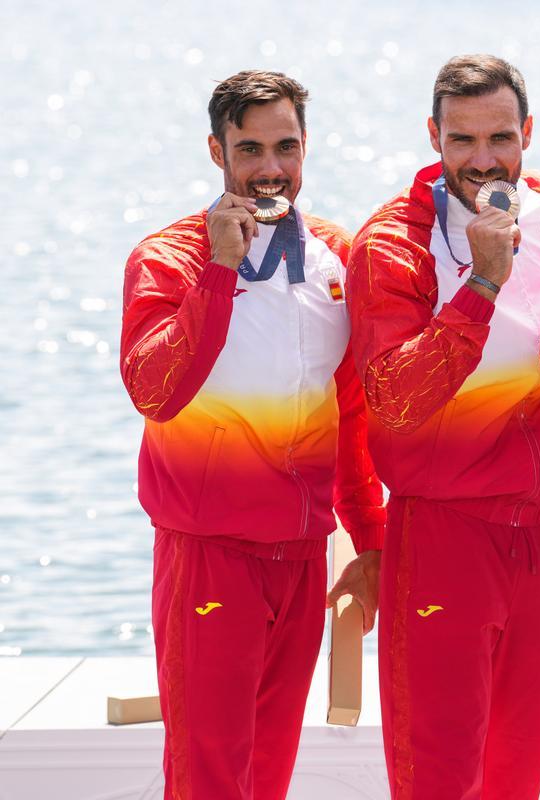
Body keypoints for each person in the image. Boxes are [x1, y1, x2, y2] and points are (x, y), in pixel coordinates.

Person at [119, 71, 386, 799]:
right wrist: (219, 270)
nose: (271, 170)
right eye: (250, 150)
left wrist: (372, 543)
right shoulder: (167, 260)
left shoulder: (337, 253)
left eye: (286, 148)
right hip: (208, 557)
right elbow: (156, 390)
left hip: (300, 560)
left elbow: (353, 419)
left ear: (306, 148)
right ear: (217, 151)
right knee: (208, 780)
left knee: (266, 777)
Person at [345, 55, 540, 799]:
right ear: (433, 136)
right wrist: (482, 282)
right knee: (440, 777)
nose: (484, 162)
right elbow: (394, 398)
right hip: (446, 534)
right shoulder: (392, 243)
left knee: (518, 773)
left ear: (528, 134)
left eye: (501, 139)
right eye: (462, 141)